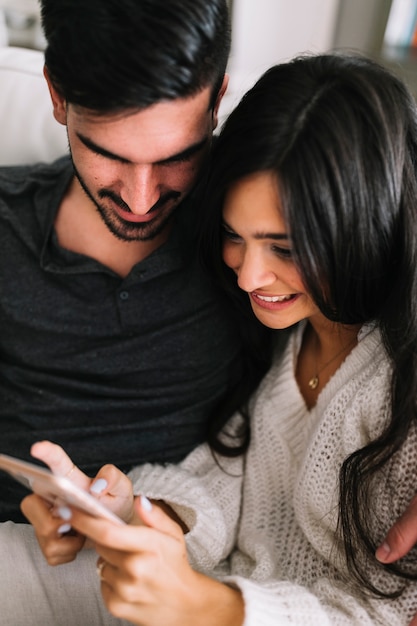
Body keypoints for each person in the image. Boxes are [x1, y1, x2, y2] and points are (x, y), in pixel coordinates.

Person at [36, 52, 417, 625]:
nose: (247, 276)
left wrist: (213, 607)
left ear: (366, 226)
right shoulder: (288, 340)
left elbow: (387, 613)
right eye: (235, 236)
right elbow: (222, 480)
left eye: (284, 249)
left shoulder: (397, 395)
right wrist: (140, 511)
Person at [0, 0, 269, 524]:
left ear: (218, 101)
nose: (142, 200)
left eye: (176, 158)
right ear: (56, 96)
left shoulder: (258, 226)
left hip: (187, 544)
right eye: (111, 156)